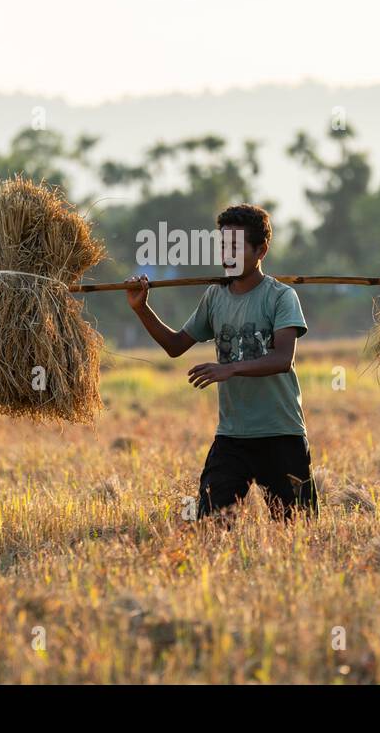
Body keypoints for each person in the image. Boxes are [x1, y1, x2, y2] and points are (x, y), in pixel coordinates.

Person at [125, 204, 318, 520]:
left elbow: (283, 358)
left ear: (261, 250)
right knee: (213, 522)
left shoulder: (281, 297)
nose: (227, 255)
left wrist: (229, 368)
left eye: (237, 247)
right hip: (233, 436)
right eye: (223, 246)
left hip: (281, 433)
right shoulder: (215, 297)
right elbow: (175, 346)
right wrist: (141, 308)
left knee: (297, 526)